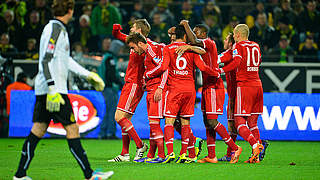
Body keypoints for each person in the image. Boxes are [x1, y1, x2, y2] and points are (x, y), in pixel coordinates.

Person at [13, 1, 113, 179]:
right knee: (72, 129)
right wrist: (52, 89)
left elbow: (65, 61)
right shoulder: (56, 29)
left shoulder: (58, 29)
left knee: (38, 129)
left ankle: (20, 174)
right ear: (70, 10)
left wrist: (87, 75)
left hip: (49, 90)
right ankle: (90, 175)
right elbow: (45, 60)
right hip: (54, 91)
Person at [144, 25, 219, 163]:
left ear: (176, 36)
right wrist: (216, 73)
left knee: (169, 121)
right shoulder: (191, 50)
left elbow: (163, 67)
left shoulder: (168, 48)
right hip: (190, 90)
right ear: (185, 36)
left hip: (174, 90)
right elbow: (203, 67)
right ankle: (183, 154)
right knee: (185, 122)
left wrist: (148, 74)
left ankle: (170, 153)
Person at [180, 20, 242, 164]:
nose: (192, 35)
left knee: (213, 121)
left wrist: (185, 25)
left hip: (215, 86)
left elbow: (194, 40)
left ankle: (234, 147)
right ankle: (212, 156)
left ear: (203, 34)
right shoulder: (199, 46)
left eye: (195, 32)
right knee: (207, 122)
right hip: (207, 87)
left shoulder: (208, 42)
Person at [216, 24, 264, 163]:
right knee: (253, 123)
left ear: (237, 35)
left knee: (239, 122)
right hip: (258, 84)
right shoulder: (255, 45)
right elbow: (258, 61)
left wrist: (221, 71)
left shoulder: (238, 46)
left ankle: (255, 146)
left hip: (245, 86)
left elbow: (237, 62)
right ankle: (257, 155)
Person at [108, 19, 150, 162]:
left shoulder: (146, 46)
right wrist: (115, 27)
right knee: (126, 119)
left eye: (133, 27)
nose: (130, 28)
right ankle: (125, 153)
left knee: (119, 117)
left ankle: (140, 145)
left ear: (139, 30)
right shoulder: (135, 41)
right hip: (131, 84)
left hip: (134, 84)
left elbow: (151, 65)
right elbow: (117, 34)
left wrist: (144, 80)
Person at [98, 37, 123, 139]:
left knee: (108, 110)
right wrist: (122, 83)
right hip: (110, 88)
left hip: (105, 87)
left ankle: (103, 132)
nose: (121, 51)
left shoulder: (107, 57)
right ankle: (110, 133)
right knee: (112, 111)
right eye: (120, 49)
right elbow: (111, 75)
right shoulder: (111, 59)